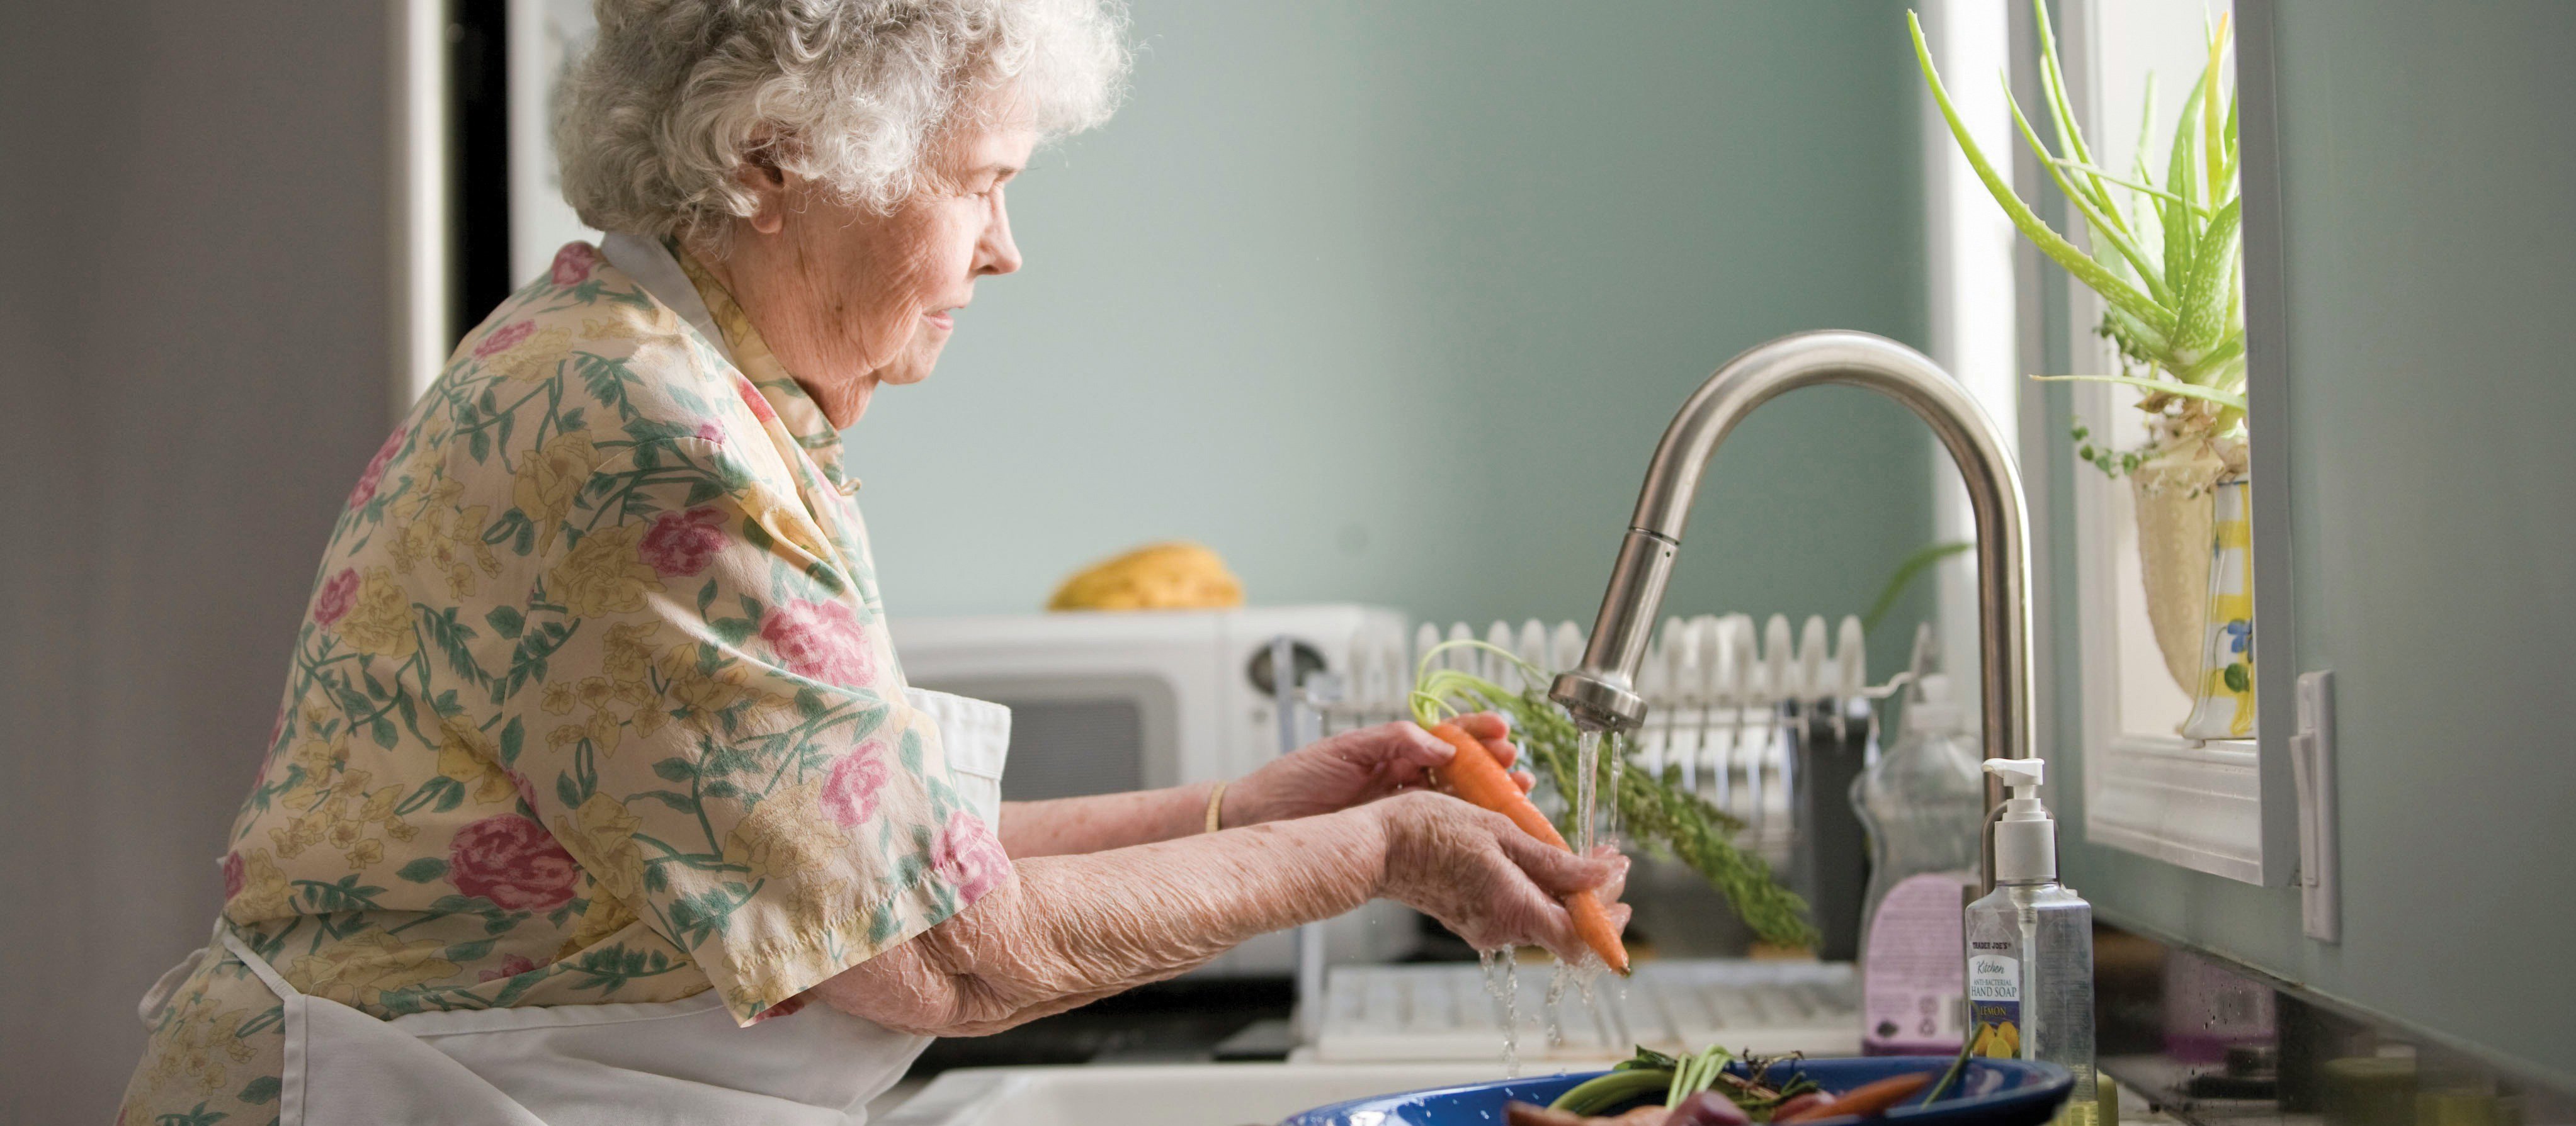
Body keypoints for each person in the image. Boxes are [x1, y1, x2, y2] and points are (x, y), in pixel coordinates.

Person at [116, 1, 1628, 1122]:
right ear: (778, 157)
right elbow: (946, 956)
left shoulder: (670, 376)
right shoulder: (645, 432)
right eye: (980, 181)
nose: (1006, 246)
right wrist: (1377, 853)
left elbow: (877, 860)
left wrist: (1256, 805)